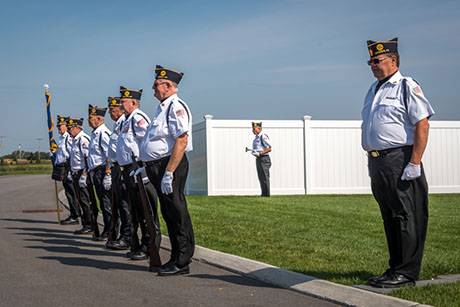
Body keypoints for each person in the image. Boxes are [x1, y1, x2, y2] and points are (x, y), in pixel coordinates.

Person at [361, 38, 435, 288]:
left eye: (377, 60)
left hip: (400, 159)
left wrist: (415, 161)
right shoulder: (374, 89)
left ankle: (407, 272)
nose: (372, 65)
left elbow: (422, 123)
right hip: (379, 162)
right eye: (370, 61)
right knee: (389, 216)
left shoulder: (406, 86)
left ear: (393, 60)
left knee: (406, 215)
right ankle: (394, 268)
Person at [140, 65, 194, 276]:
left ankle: (182, 260)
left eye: (157, 85)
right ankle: (174, 257)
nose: (153, 88)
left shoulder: (176, 106)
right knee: (168, 213)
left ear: (169, 86)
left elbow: (181, 139)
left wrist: (169, 172)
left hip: (170, 164)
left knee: (177, 211)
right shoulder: (162, 107)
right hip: (158, 166)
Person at [116, 86, 154, 260]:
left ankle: (148, 247)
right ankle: (138, 245)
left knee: (145, 211)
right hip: (128, 170)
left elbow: (147, 142)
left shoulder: (138, 118)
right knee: (136, 211)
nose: (120, 104)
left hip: (137, 168)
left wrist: (144, 168)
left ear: (133, 102)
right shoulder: (126, 120)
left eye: (123, 101)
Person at [105, 96, 132, 250]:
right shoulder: (117, 125)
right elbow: (111, 151)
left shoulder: (124, 123)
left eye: (114, 110)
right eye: (110, 110)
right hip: (116, 167)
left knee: (125, 204)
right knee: (119, 205)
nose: (111, 113)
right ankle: (123, 235)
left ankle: (127, 236)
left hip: (123, 167)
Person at [87, 105, 112, 240]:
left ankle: (109, 231)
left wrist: (108, 173)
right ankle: (108, 229)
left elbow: (109, 155)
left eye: (90, 118)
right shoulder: (95, 133)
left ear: (99, 118)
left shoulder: (103, 133)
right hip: (96, 171)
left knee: (106, 202)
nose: (88, 120)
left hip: (102, 171)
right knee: (102, 203)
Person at [67, 117, 94, 234]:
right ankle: (85, 223)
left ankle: (89, 224)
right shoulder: (75, 140)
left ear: (77, 128)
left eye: (70, 128)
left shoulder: (83, 139)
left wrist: (84, 175)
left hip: (83, 173)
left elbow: (87, 158)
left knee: (85, 200)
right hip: (76, 173)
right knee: (80, 199)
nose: (68, 131)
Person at [54, 115, 80, 225]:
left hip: (68, 166)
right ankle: (74, 213)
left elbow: (71, 153)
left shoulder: (68, 138)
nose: (59, 128)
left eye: (61, 126)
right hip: (61, 167)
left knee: (71, 192)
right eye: (58, 126)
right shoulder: (61, 138)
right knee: (68, 192)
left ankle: (75, 215)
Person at [251, 122, 272, 197]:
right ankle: (263, 194)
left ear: (259, 128)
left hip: (264, 158)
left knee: (265, 177)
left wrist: (260, 153)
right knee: (260, 177)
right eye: (252, 129)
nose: (253, 130)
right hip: (259, 159)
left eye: (254, 129)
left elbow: (269, 148)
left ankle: (267, 194)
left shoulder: (263, 136)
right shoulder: (256, 138)